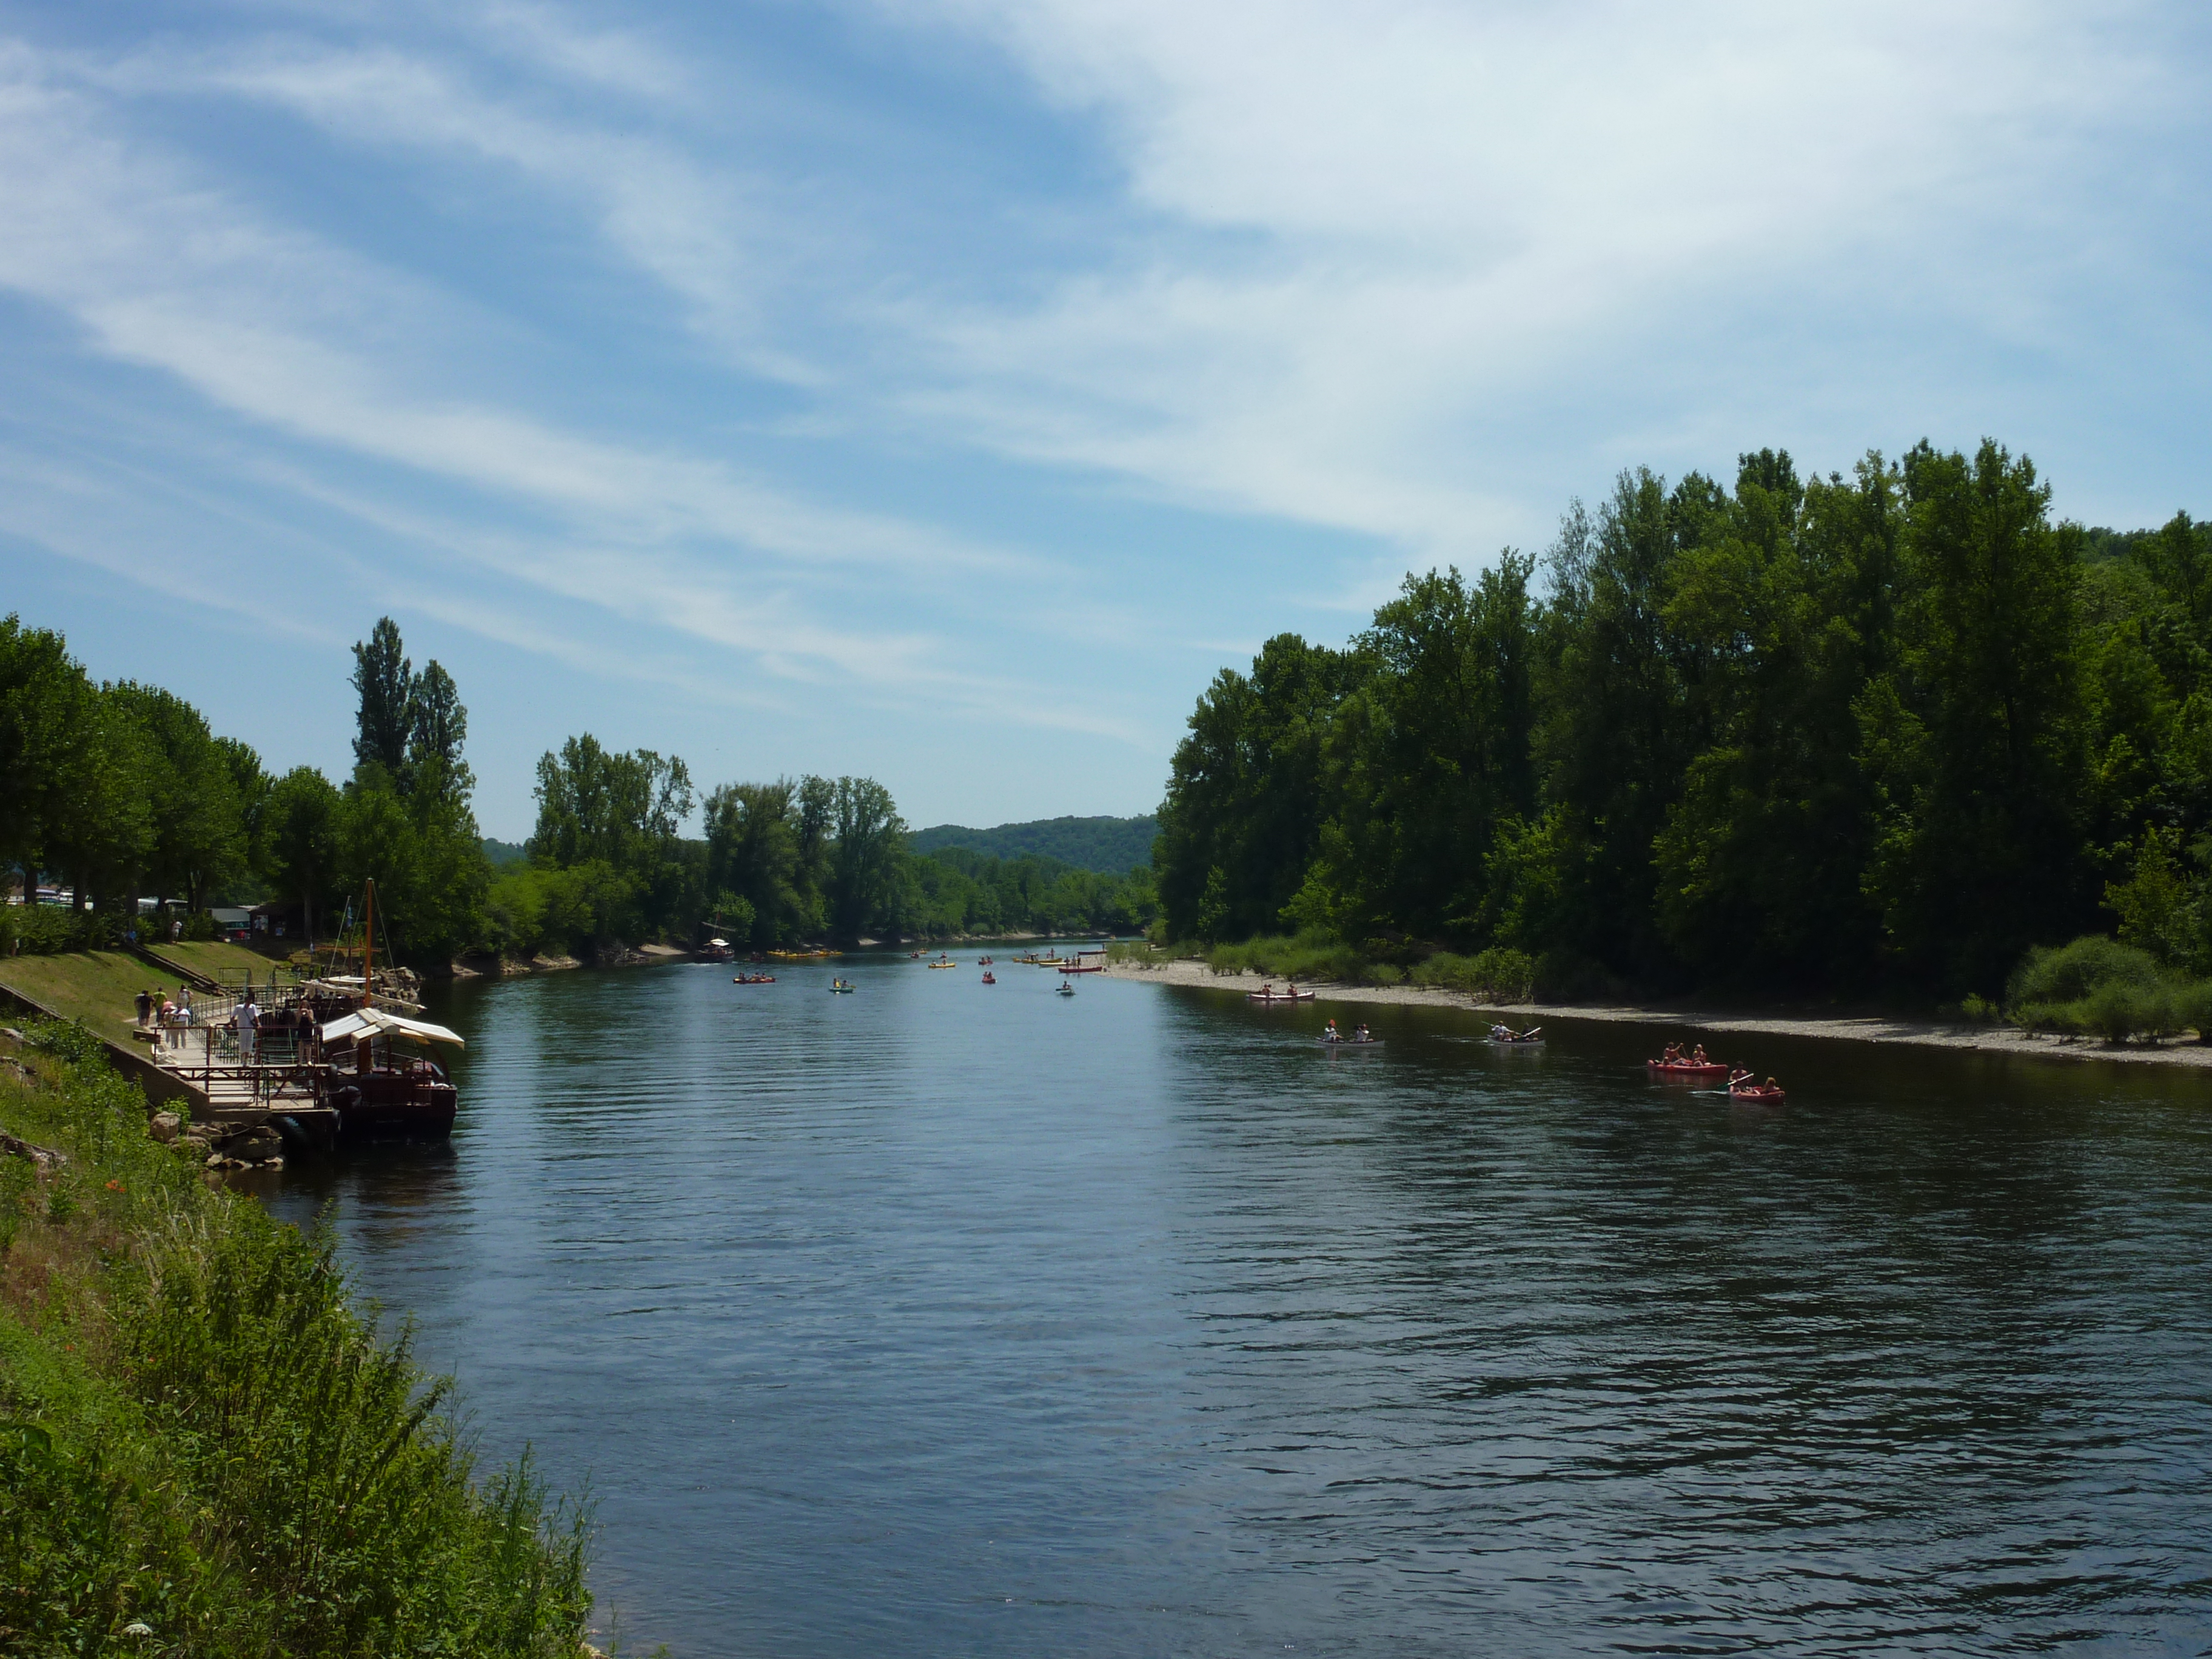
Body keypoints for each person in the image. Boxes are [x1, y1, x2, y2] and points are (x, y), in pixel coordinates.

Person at [238, 994, 258, 1062]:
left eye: (251, 1000)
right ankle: (242, 1059)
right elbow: (233, 1016)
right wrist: (231, 1024)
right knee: (242, 1043)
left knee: (249, 1044)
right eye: (249, 1000)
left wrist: (258, 1024)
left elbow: (256, 1016)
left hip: (250, 1028)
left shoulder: (253, 1007)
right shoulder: (239, 1007)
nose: (250, 1002)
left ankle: (246, 1059)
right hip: (242, 1028)